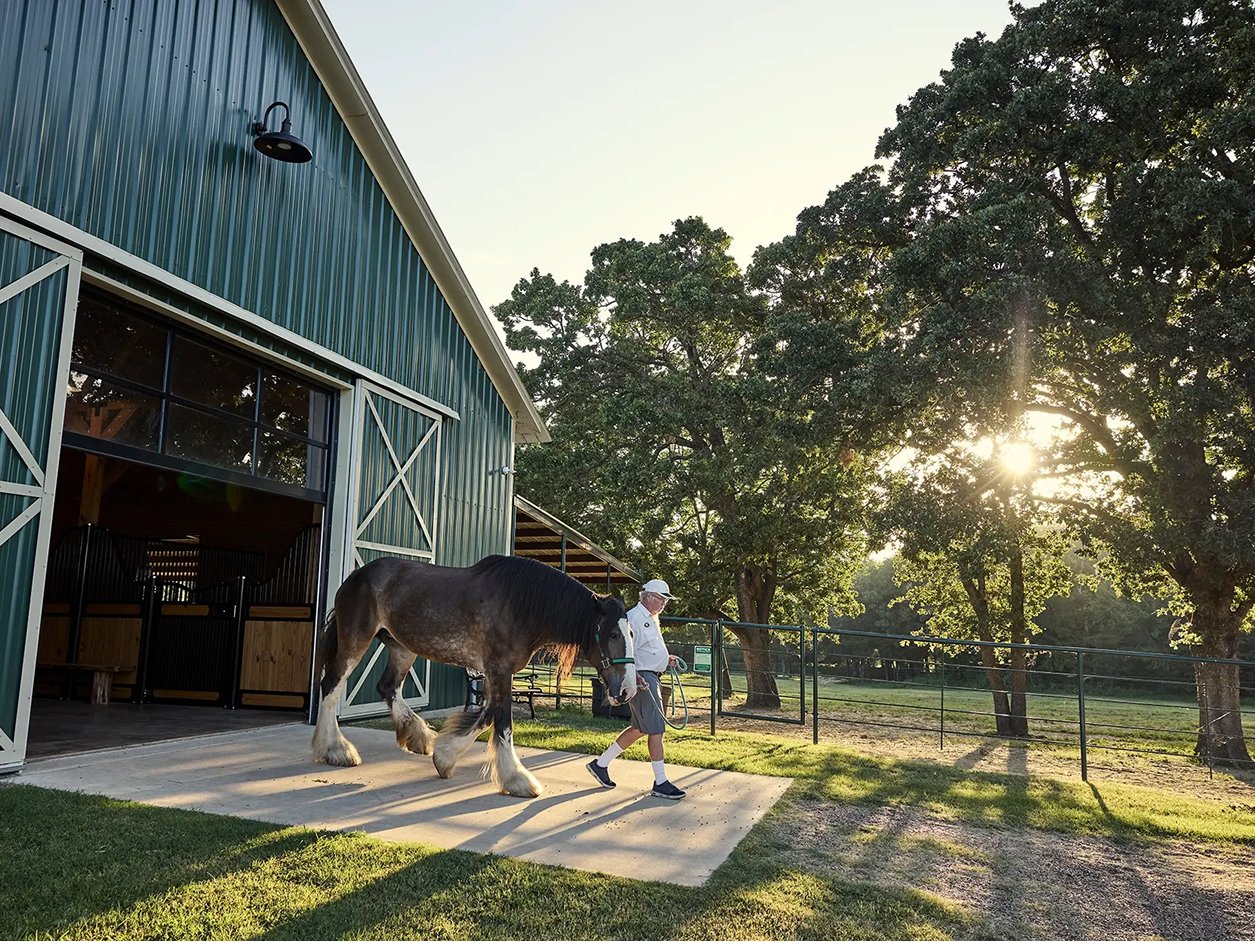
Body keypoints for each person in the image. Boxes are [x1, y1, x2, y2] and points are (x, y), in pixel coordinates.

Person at [586, 578, 686, 799]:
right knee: (656, 729)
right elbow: (625, 652)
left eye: (665, 600)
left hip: (650, 677)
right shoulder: (634, 618)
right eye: (661, 599)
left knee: (640, 729)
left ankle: (600, 764)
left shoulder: (649, 618)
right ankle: (660, 782)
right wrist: (637, 675)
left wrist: (664, 658)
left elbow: (645, 650)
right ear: (648, 596)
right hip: (643, 680)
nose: (664, 604)